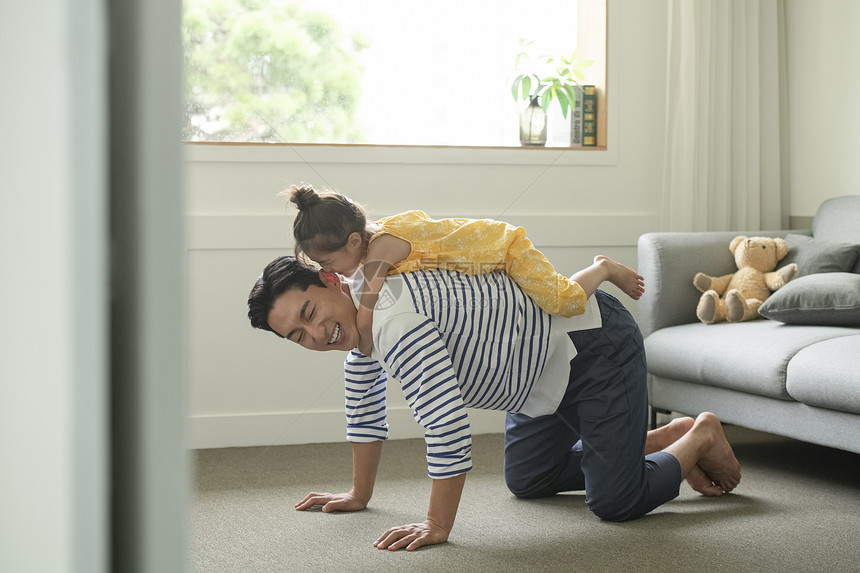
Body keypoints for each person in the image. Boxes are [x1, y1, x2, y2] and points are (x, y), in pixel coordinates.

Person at [247, 256, 742, 552]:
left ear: (330, 281)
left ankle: (699, 435)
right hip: (531, 377)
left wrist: (438, 524)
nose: (316, 334)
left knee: (616, 502)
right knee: (529, 480)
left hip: (591, 345)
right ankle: (655, 438)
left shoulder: (394, 323)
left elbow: (446, 426)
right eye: (298, 336)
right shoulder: (360, 322)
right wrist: (359, 495)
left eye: (310, 313)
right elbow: (364, 409)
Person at [285, 184, 645, 356]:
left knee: (562, 300)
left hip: (502, 248)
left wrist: (364, 344)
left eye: (328, 264)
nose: (332, 272)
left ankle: (603, 269)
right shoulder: (367, 240)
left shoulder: (381, 247)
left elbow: (367, 307)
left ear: (352, 241)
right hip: (482, 263)